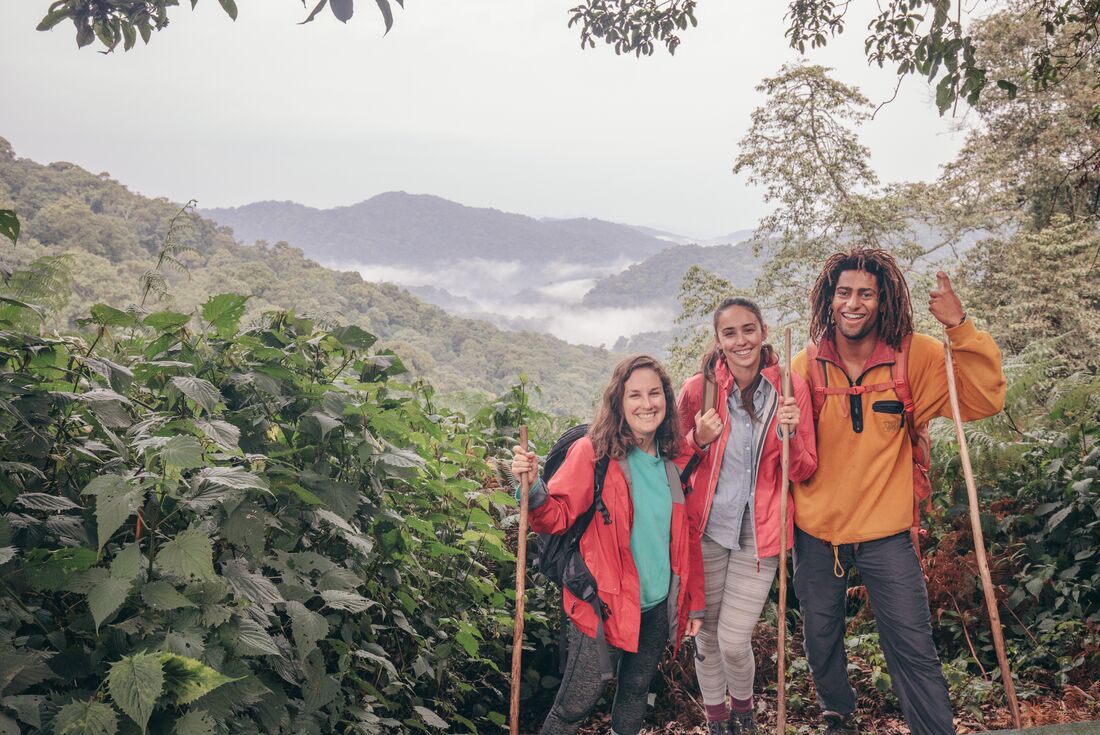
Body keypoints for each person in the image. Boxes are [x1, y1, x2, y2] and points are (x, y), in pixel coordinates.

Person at [791, 248, 1006, 735]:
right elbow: (785, 451)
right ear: (829, 298)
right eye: (844, 292)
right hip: (815, 533)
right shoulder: (805, 365)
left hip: (887, 535)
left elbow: (985, 399)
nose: (853, 303)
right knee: (821, 639)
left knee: (911, 645)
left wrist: (960, 327)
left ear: (883, 298)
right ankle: (838, 716)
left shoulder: (918, 357)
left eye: (866, 293)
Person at [510, 355, 705, 735]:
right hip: (603, 605)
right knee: (574, 705)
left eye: (654, 393)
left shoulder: (673, 459)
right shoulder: (593, 452)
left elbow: (687, 538)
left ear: (667, 399)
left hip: (655, 607)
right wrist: (532, 484)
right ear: (618, 402)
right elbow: (555, 515)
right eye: (634, 395)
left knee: (634, 693)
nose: (646, 404)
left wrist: (693, 602)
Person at [676, 297, 818, 735]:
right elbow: (674, 464)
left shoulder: (790, 389)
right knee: (707, 636)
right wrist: (697, 439)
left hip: (762, 537)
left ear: (764, 331)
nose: (741, 341)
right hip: (706, 532)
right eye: (730, 333)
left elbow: (806, 468)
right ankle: (717, 721)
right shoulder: (697, 391)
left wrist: (789, 434)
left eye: (748, 329)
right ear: (718, 341)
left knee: (734, 640)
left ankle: (744, 713)